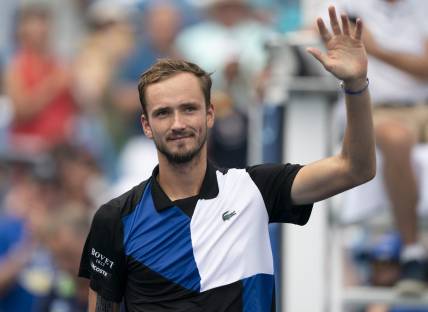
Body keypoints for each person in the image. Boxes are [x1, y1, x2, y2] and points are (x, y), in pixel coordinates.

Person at [78, 6, 376, 311]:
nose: (178, 123)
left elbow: (356, 169)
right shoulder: (115, 218)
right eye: (163, 113)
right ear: (146, 125)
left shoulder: (254, 189)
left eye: (189, 109)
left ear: (210, 115)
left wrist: (355, 85)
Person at [323, 0, 428, 296]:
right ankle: (411, 253)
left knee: (399, 139)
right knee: (397, 140)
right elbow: (325, 45)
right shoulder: (345, 5)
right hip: (373, 109)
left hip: (422, 108)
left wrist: (373, 49)